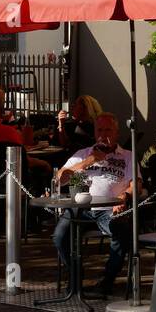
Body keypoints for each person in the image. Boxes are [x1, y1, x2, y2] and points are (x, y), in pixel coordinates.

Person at [54, 112, 138, 297]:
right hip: (80, 208)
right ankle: (76, 275)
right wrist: (89, 161)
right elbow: (60, 178)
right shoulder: (82, 154)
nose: (104, 134)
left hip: (109, 209)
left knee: (123, 233)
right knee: (60, 236)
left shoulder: (128, 156)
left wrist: (124, 196)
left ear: (116, 132)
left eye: (108, 129)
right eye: (100, 130)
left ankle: (106, 281)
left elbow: (136, 184)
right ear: (94, 132)